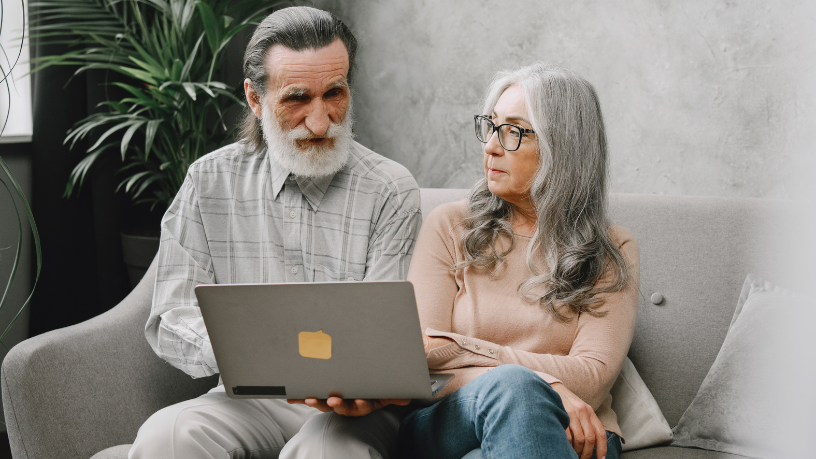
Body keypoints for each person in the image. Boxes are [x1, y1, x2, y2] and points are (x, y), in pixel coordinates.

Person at [129, 7, 420, 459]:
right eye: (297, 99)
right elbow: (171, 314)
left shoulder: (391, 189)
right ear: (254, 97)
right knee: (165, 436)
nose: (321, 122)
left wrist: (366, 378)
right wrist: (240, 350)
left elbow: (387, 335)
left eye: (334, 93)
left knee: (325, 451)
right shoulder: (208, 180)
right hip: (249, 397)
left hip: (356, 409)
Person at [399, 63, 640, 459]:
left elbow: (592, 379)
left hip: (574, 432)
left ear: (562, 147)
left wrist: (464, 351)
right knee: (515, 388)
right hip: (451, 421)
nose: (491, 146)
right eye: (491, 126)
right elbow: (421, 359)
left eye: (513, 131)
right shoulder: (449, 225)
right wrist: (544, 381)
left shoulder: (612, 248)